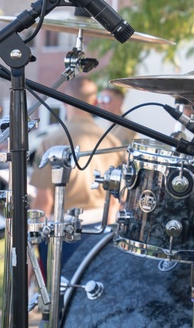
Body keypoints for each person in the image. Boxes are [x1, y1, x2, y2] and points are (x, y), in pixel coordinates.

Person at [30, 77, 126, 267]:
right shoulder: (113, 143)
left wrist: (32, 238)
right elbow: (117, 199)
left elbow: (44, 200)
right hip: (101, 233)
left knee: (56, 294)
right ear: (95, 102)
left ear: (65, 100)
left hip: (63, 233)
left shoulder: (52, 141)